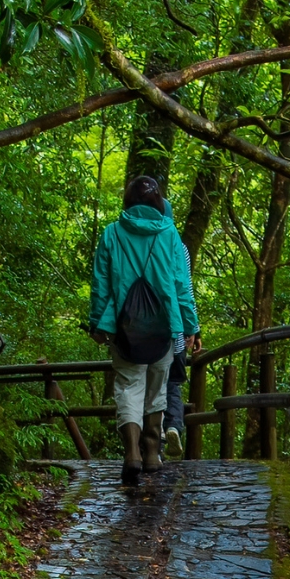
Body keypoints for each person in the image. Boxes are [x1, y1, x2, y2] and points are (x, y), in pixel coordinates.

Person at [88, 175, 198, 486]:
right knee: (157, 389)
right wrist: (190, 326)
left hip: (124, 327)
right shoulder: (170, 235)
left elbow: (100, 285)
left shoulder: (111, 234)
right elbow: (181, 287)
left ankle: (132, 453)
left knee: (128, 387)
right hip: (163, 327)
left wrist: (97, 322)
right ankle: (152, 453)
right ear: (159, 203)